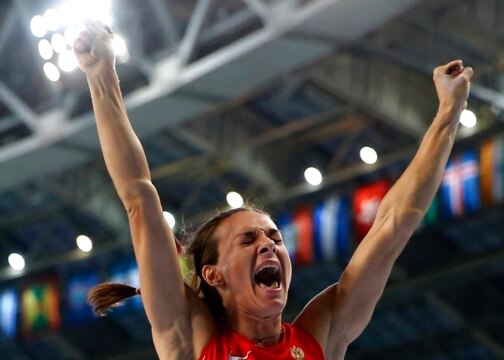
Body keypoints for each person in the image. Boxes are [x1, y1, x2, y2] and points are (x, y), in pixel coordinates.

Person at [74, 19, 472, 360]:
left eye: (274, 237)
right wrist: (101, 75)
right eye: (248, 240)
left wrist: (448, 114)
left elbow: (393, 224)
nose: (269, 245)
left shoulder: (319, 337)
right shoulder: (191, 340)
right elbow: (139, 199)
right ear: (213, 275)